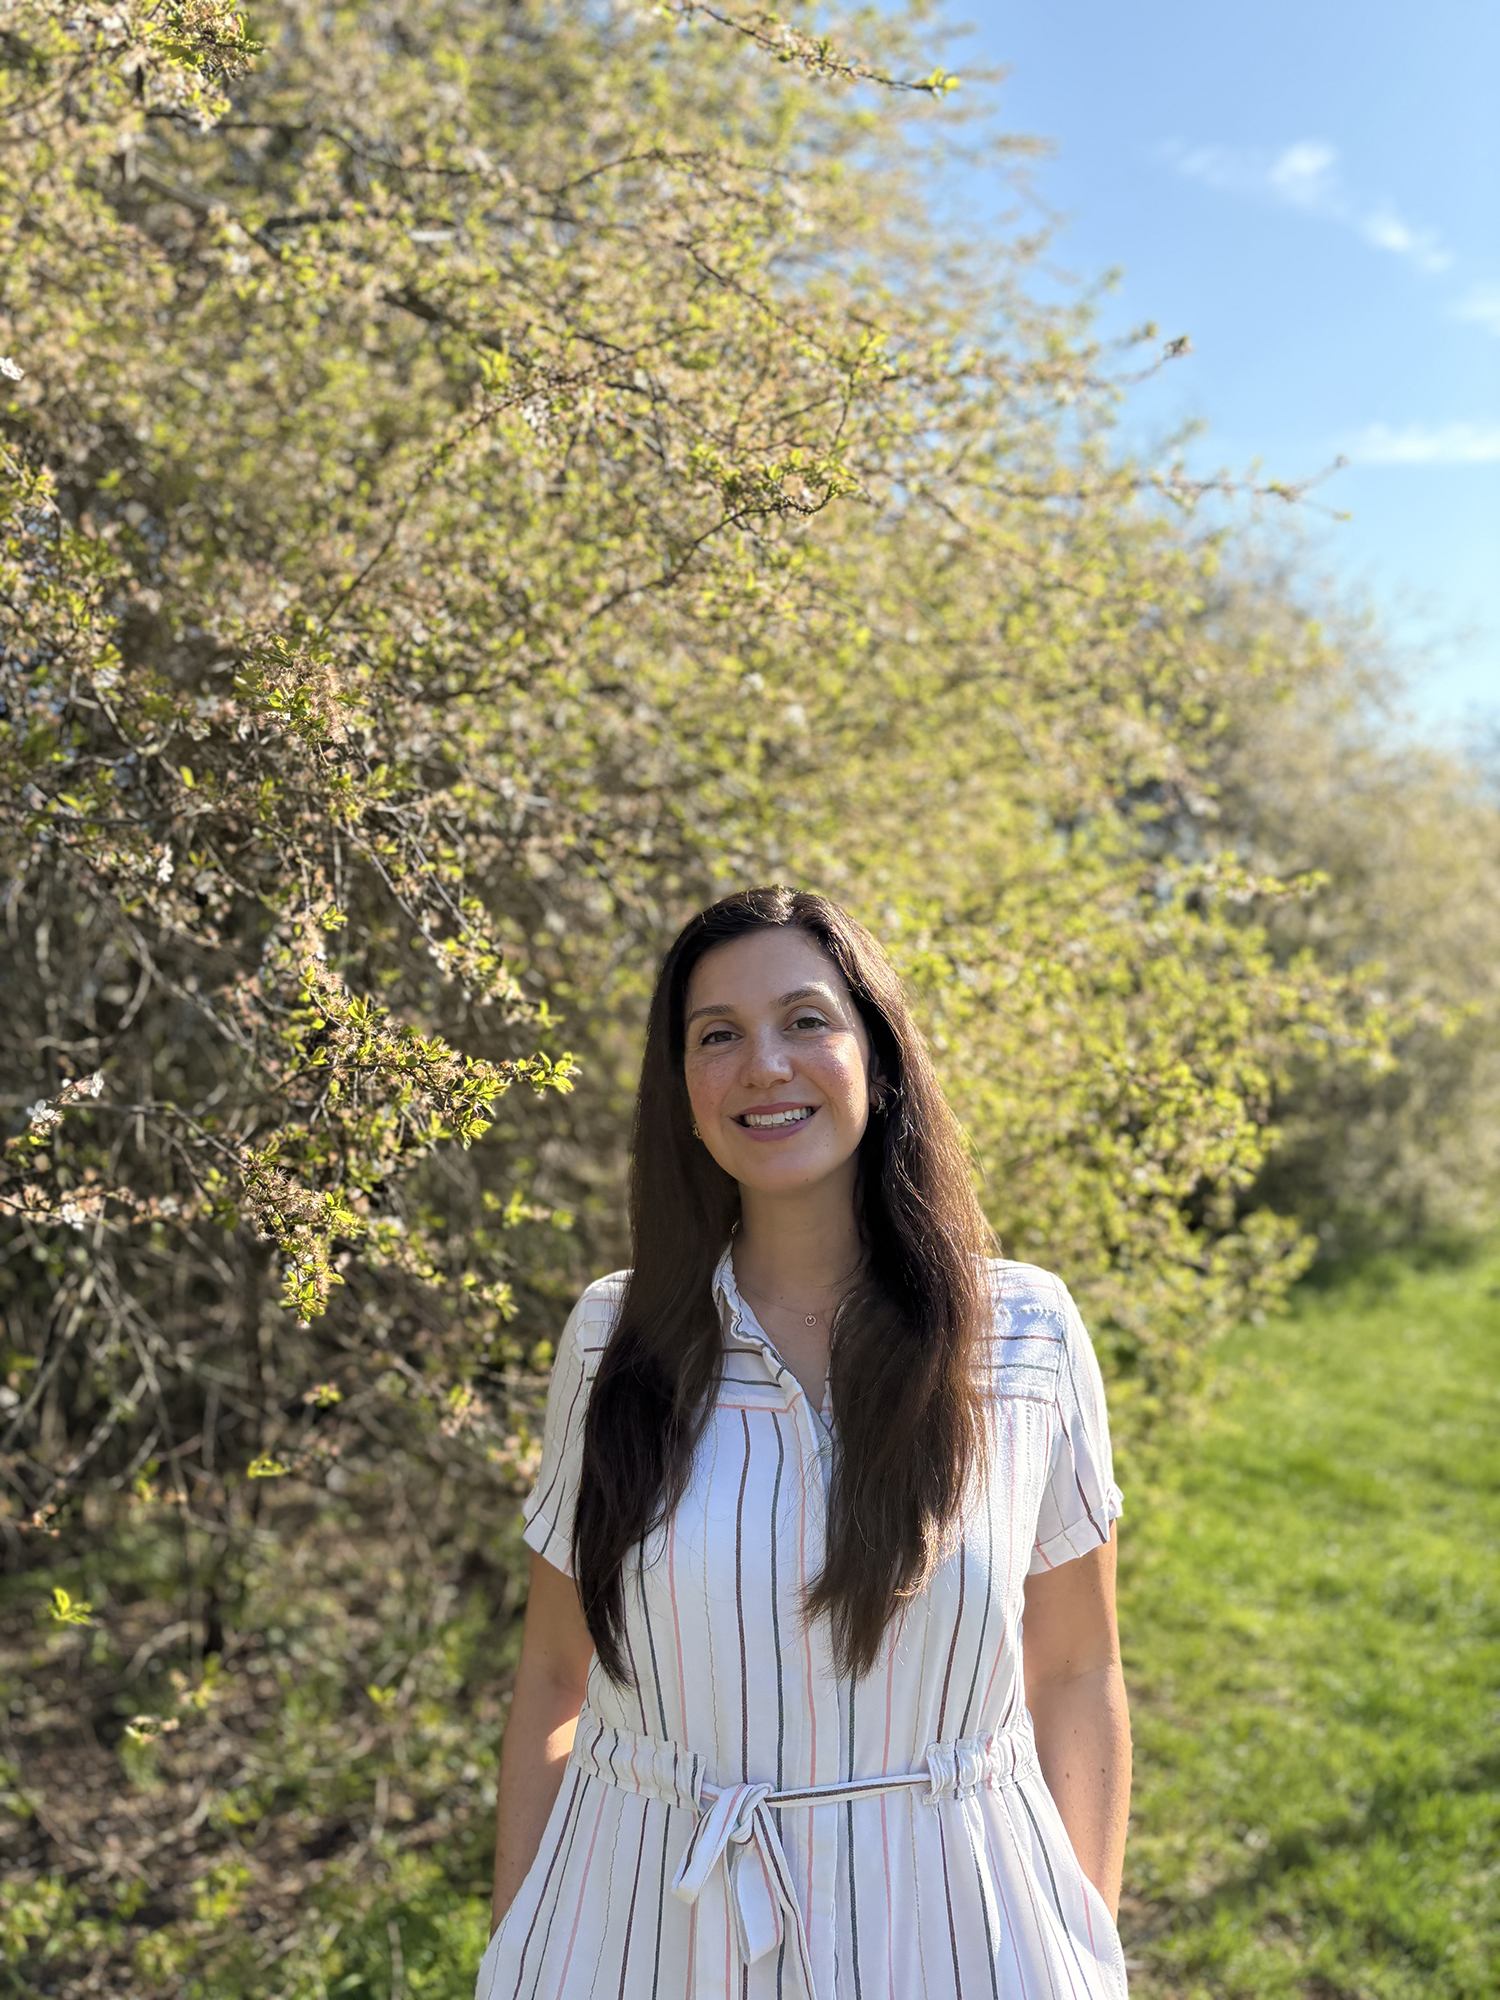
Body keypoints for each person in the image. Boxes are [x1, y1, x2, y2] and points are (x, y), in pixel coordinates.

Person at [478, 887, 1130, 2000]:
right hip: (645, 1928)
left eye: (806, 1020)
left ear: (877, 1053)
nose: (764, 1065)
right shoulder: (612, 1339)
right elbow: (552, 1672)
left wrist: (1083, 1945)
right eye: (717, 1035)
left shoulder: (1026, 1334)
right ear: (682, 1091)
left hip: (959, 1928)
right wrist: (518, 1944)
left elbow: (1077, 1668)